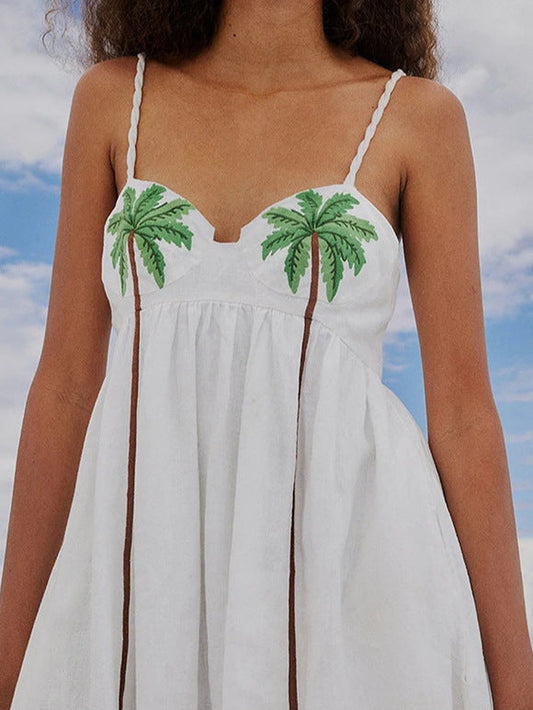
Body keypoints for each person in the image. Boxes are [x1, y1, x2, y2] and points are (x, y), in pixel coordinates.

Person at [1, 0, 532, 708]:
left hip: (357, 598)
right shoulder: (111, 100)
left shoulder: (418, 118)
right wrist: (10, 665)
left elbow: (464, 419)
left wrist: (518, 690)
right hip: (143, 592)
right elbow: (65, 388)